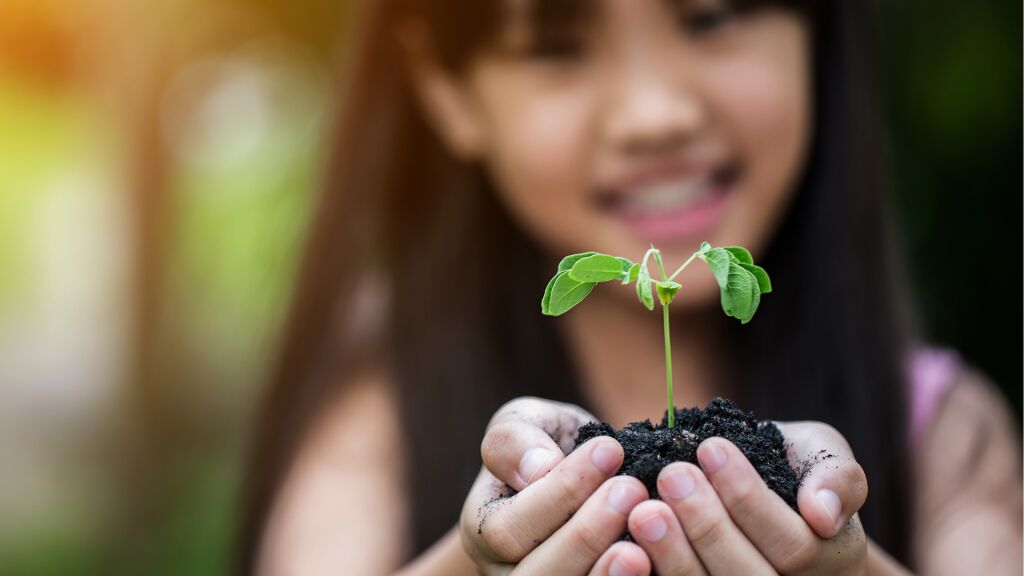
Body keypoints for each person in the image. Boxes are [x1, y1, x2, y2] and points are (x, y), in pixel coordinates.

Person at [237, 0, 1023, 574]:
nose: (655, 115)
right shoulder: (373, 425)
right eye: (557, 45)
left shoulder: (946, 438)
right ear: (446, 89)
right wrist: (470, 563)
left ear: (816, 34)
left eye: (712, 17)